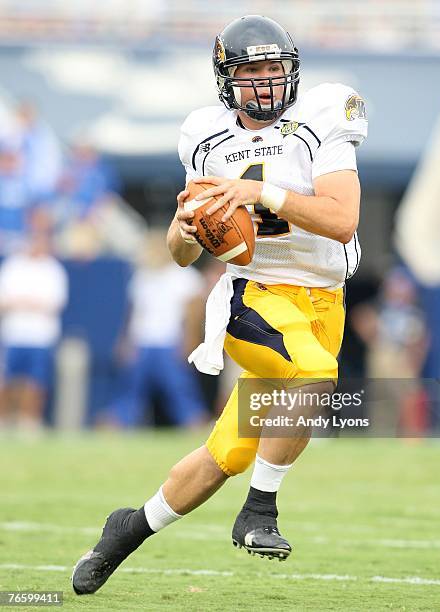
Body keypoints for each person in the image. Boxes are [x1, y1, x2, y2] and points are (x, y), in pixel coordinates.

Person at [72, 14, 367, 595]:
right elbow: (181, 252)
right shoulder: (208, 138)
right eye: (251, 70)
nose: (264, 82)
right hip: (250, 297)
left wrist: (261, 191)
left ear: (293, 70)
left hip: (322, 304)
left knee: (224, 454)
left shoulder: (325, 117)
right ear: (226, 77)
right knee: (315, 374)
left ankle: (124, 533)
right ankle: (260, 512)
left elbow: (343, 219)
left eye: (273, 69)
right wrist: (186, 227)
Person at [111, 229, 208, 427]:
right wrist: (125, 342)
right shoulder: (142, 277)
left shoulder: (185, 276)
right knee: (131, 390)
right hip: (143, 343)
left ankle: (195, 424)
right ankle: (116, 423)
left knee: (180, 390)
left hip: (170, 343)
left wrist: (191, 343)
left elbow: (195, 314)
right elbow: (134, 314)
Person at [0, 229, 68, 432]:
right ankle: (5, 421)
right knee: (8, 380)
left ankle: (29, 422)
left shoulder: (53, 269)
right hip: (14, 334)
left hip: (41, 336)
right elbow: (4, 300)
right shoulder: (13, 266)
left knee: (36, 382)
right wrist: (30, 302)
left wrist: (23, 301)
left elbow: (54, 303)